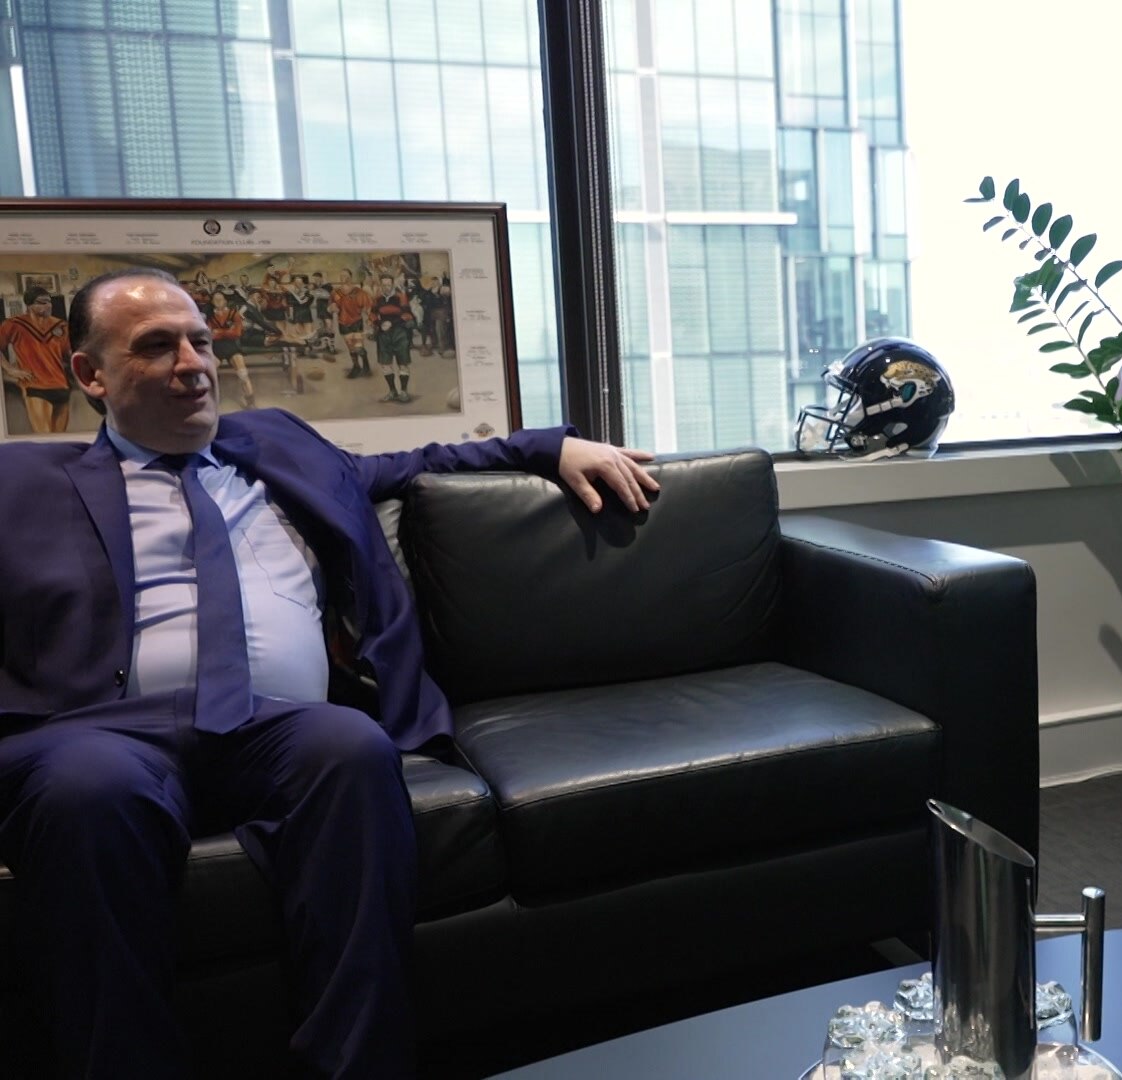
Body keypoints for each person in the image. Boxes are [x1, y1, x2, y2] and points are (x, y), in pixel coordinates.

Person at [0, 267, 659, 1077]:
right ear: (90, 374)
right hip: (102, 734)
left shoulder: (278, 447)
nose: (193, 364)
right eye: (157, 346)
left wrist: (550, 446)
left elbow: (418, 461)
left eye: (201, 341)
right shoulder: (22, 484)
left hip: (273, 728)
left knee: (350, 747)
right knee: (87, 793)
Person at [0, 287, 73, 434]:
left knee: (60, 438)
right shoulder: (14, 324)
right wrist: (9, 369)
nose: (48, 305)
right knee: (44, 437)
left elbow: (68, 354)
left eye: (49, 302)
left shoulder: (61, 325)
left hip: (61, 385)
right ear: (29, 305)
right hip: (35, 386)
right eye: (42, 302)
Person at [373, 274, 415, 403]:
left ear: (392, 284)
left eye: (389, 284)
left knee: (403, 363)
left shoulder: (400, 297)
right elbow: (372, 315)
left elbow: (408, 315)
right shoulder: (377, 298)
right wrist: (380, 323)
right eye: (384, 285)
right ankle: (392, 391)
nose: (386, 287)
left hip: (400, 333)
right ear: (381, 285)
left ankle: (404, 391)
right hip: (383, 334)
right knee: (385, 364)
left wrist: (392, 323)